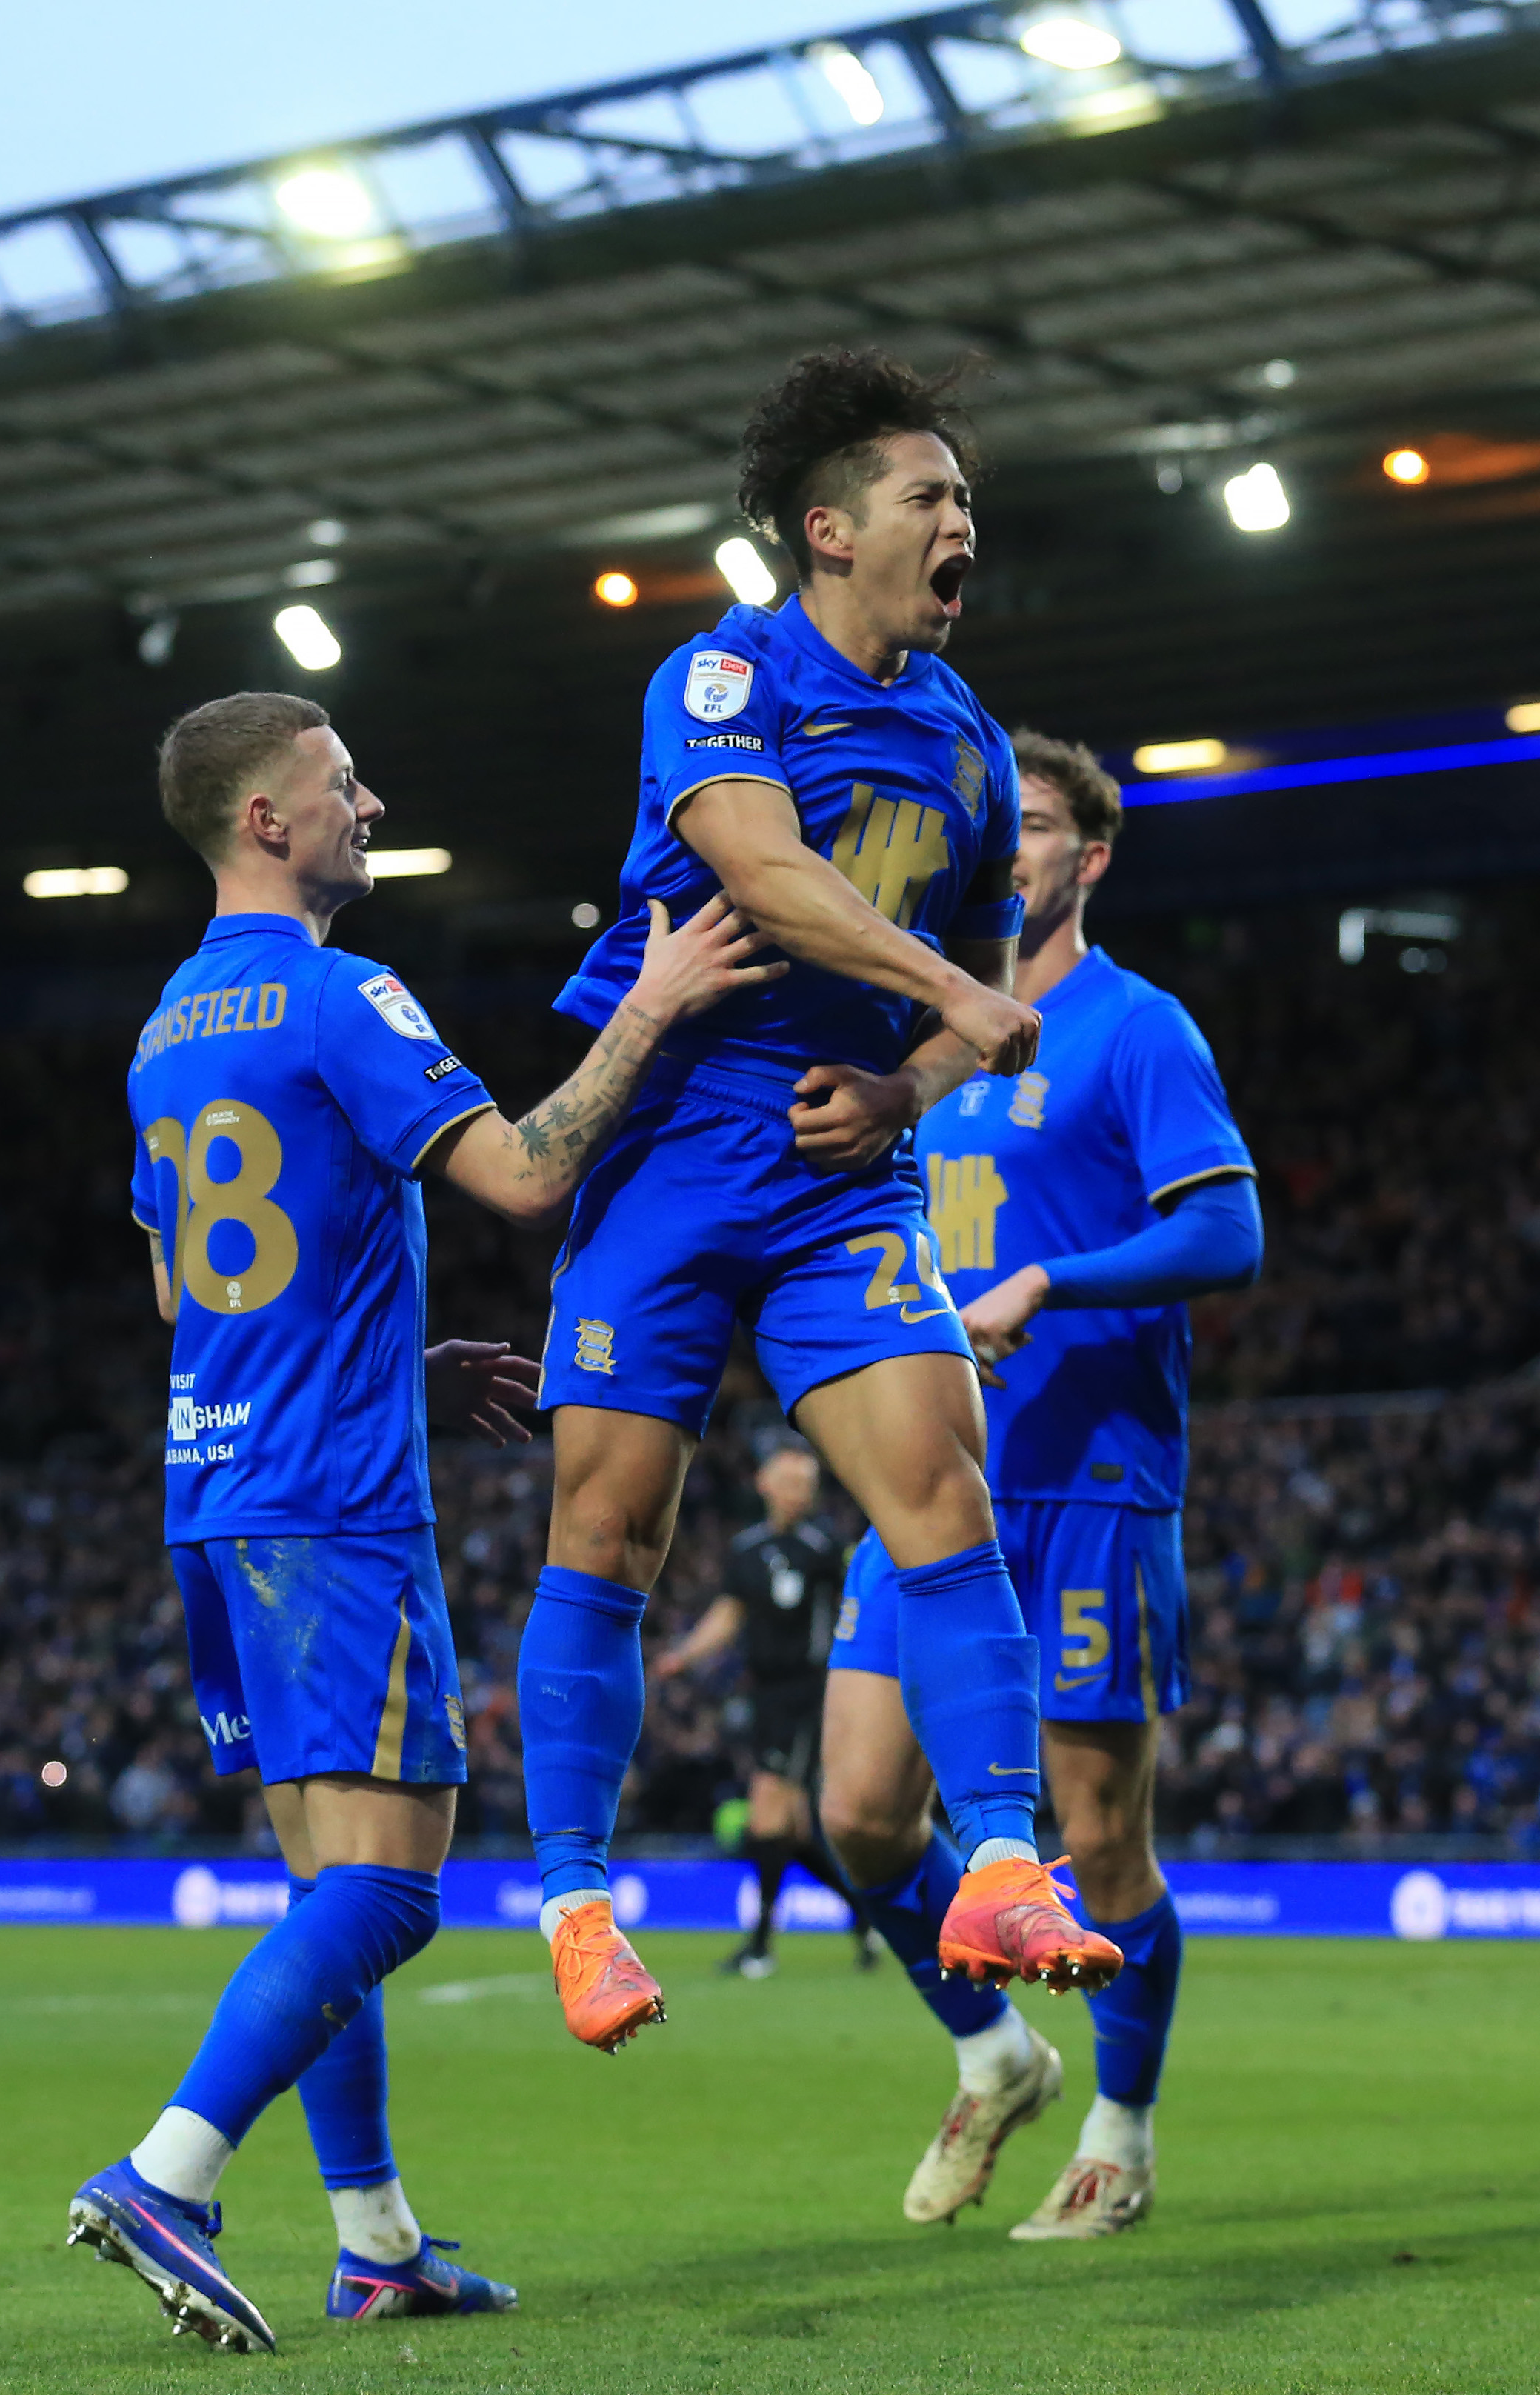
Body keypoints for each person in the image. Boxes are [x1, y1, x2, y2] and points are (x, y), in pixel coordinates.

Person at [67, 690, 773, 2352]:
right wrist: (654, 1004)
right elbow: (525, 1174)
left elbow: (178, 1285)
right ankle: (168, 2172)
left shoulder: (163, 1028)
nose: (368, 800)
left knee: (327, 1881)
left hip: (216, 1486)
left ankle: (374, 2240)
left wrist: (395, 1354)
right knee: (392, 1891)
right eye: (340, 780)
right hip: (330, 1500)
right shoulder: (341, 992)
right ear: (266, 820)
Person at [515, 347, 1119, 2058]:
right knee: (609, 1527)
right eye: (930, 496)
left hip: (843, 1175)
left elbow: (972, 1001)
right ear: (829, 528)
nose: (962, 522)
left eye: (966, 498)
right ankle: (575, 1903)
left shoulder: (972, 743)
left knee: (940, 1486)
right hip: (672, 1138)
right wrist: (957, 997)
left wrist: (905, 1086)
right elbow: (761, 868)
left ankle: (998, 1859)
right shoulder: (722, 673)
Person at [821, 730, 1260, 2238]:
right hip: (923, 1475)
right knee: (860, 1814)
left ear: (1092, 856)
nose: (1009, 848)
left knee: (1096, 1836)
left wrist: (1045, 1281)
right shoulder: (921, 1036)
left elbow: (1228, 1233)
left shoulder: (1135, 1028)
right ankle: (994, 2049)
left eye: (1039, 826)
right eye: (993, 826)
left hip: (1085, 1485)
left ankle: (1120, 2132)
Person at [649, 1439, 874, 1976]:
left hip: (809, 1692)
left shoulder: (827, 1547)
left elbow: (856, 1612)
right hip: (766, 1694)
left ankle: (760, 1944)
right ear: (764, 1485)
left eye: (807, 1484)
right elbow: (729, 1615)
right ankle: (865, 1915)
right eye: (789, 1481)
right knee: (790, 1832)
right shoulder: (747, 1549)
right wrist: (684, 1655)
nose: (799, 1492)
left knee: (768, 1809)